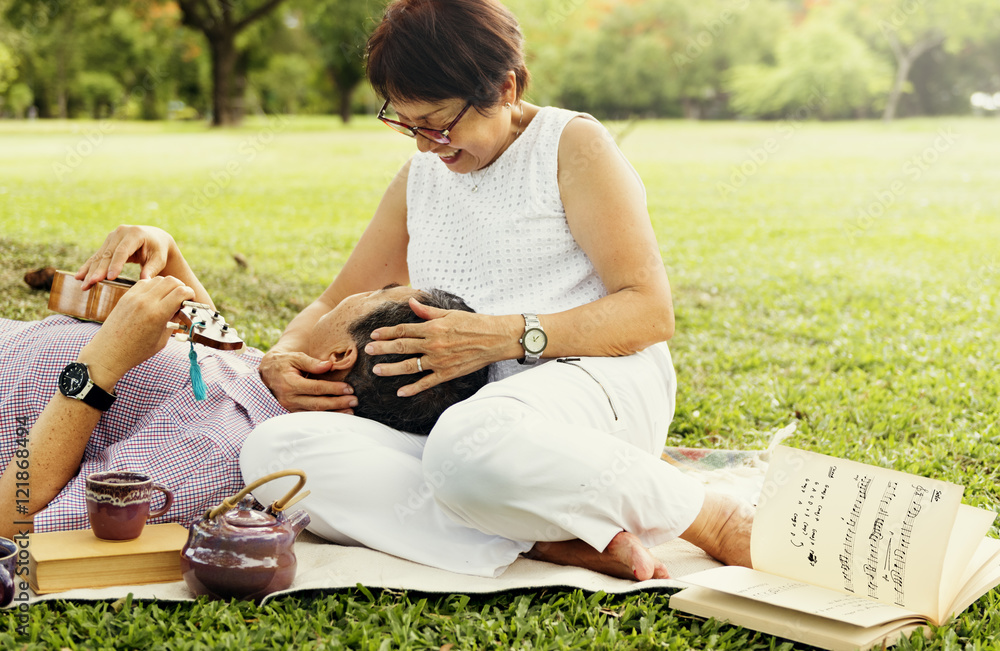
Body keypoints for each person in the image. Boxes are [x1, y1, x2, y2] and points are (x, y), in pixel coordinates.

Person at [238, 0, 753, 580]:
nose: (424, 145)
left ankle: (710, 517)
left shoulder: (570, 146)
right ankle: (541, 540)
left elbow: (649, 312)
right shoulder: (420, 178)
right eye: (405, 123)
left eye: (437, 122)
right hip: (463, 425)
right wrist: (282, 356)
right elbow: (334, 302)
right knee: (274, 454)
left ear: (504, 87)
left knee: (467, 446)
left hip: (591, 383)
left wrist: (503, 338)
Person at [0, 226, 487, 539]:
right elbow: (217, 356)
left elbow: (15, 523)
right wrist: (164, 250)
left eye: (373, 294)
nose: (355, 293)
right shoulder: (280, 387)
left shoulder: (213, 450)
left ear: (340, 356)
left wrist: (100, 367)